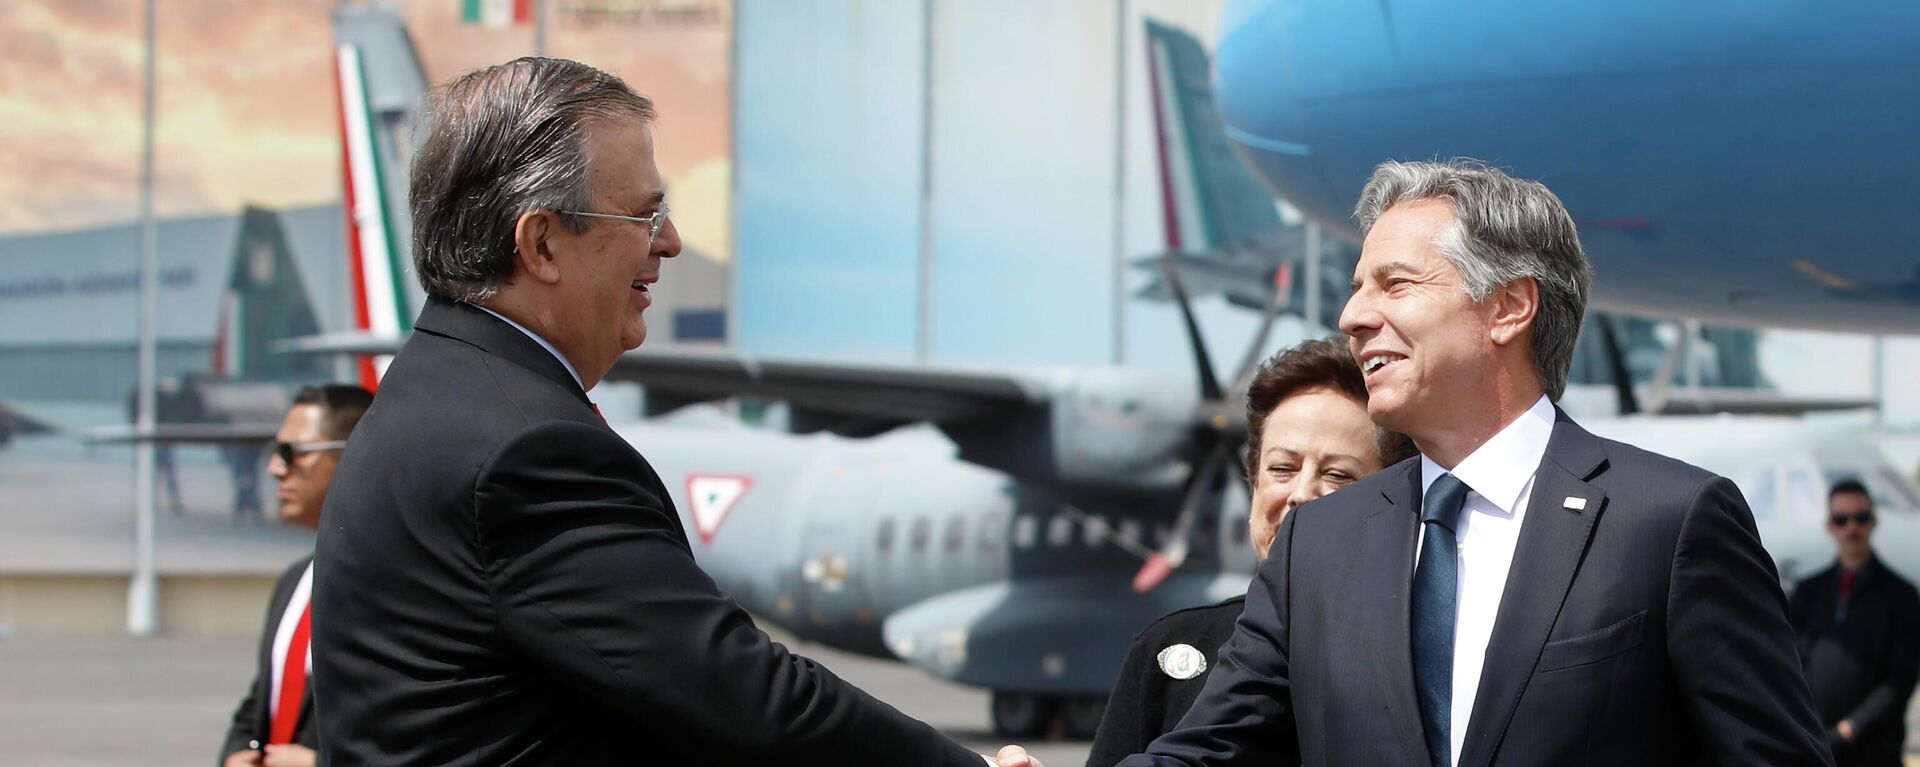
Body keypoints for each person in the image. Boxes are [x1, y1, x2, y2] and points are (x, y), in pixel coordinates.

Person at [311, 57, 1040, 767]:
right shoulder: (526, 449)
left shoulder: (435, 391)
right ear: (540, 244)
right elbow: (735, 690)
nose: (670, 241)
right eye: (642, 213)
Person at [1116, 159, 1830, 766]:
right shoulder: (1318, 544)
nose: (1353, 315)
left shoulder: (1667, 524)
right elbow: (1206, 750)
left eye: (1394, 285)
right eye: (1358, 286)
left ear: (1509, 307)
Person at [1086, 338, 1415, 766]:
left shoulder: (1421, 659)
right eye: (1281, 468)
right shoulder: (1169, 648)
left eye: (1338, 474)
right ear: (1253, 483)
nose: (1301, 495)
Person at [219, 384, 373, 767]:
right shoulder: (295, 580)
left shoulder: (399, 588)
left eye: (293, 453)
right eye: (275, 452)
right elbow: (262, 700)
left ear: (354, 455)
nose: (275, 468)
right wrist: (238, 754)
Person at [1789, 478, 1920, 767]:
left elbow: (1900, 679)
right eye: (1841, 519)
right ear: (1830, 526)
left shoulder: (1901, 596)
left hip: (1875, 751)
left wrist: (1850, 729)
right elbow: (1792, 660)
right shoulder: (1809, 592)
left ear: (1873, 522)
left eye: (1860, 518)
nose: (1852, 528)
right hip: (1816, 746)